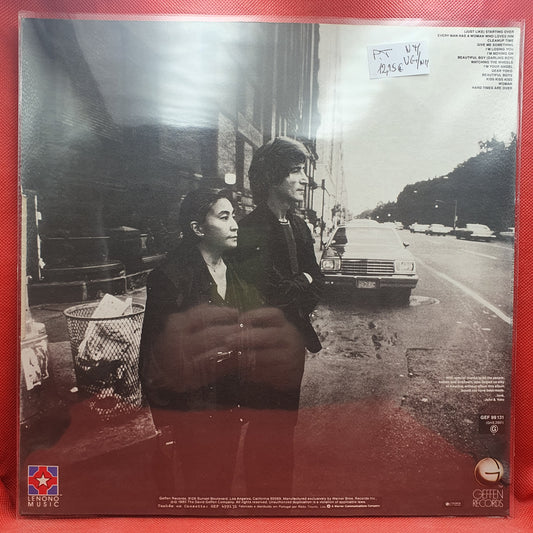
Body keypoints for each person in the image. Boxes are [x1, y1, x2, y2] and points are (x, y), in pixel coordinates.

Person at [139, 187, 262, 496]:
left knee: (222, 484)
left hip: (230, 402)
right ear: (197, 228)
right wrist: (165, 422)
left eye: (234, 216)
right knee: (199, 488)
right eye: (224, 217)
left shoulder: (235, 273)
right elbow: (154, 356)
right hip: (192, 409)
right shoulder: (169, 279)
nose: (235, 225)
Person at [234, 136, 324, 496]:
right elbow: (273, 294)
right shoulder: (251, 228)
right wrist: (303, 283)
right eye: (296, 171)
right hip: (263, 347)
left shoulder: (299, 225)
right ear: (273, 177)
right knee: (265, 427)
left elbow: (318, 281)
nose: (305, 179)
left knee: (286, 425)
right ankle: (262, 502)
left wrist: (302, 283)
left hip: (292, 344)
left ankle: (280, 499)